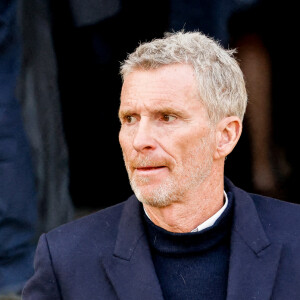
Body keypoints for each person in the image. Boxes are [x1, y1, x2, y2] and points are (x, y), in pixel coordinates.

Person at [22, 31, 300, 299]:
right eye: (130, 118)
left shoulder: (295, 237)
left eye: (166, 117)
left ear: (225, 137)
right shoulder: (65, 259)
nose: (140, 140)